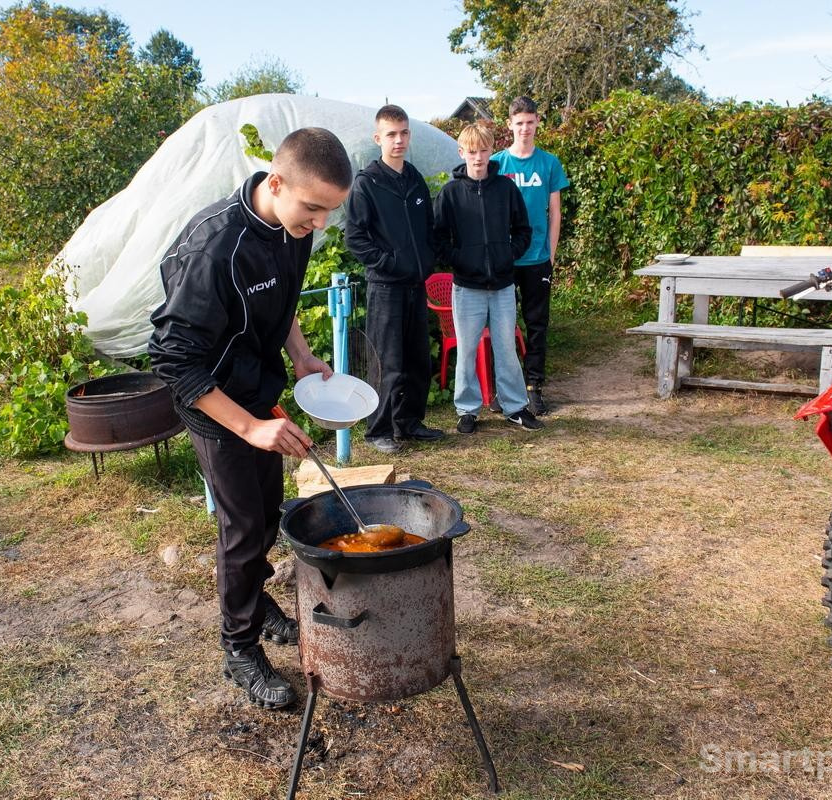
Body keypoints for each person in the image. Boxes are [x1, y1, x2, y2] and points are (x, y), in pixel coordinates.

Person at [148, 128, 352, 710]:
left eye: (328, 213)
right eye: (312, 208)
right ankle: (238, 647)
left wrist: (302, 355)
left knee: (267, 515)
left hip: (259, 390)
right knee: (242, 532)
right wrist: (249, 427)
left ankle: (258, 604)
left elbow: (279, 303)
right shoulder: (214, 248)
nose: (317, 224)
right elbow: (173, 360)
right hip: (215, 404)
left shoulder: (294, 227)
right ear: (276, 181)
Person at [344, 104, 444, 454]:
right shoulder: (367, 184)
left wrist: (426, 261)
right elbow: (355, 238)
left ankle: (409, 422)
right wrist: (389, 263)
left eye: (403, 133)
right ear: (378, 139)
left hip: (415, 285)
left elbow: (428, 228)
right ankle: (379, 430)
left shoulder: (413, 177)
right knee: (386, 360)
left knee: (417, 357)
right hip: (385, 287)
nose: (398, 140)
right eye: (391, 134)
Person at [433, 122, 541, 434]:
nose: (478, 157)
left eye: (483, 150)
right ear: (461, 152)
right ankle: (467, 410)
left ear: (491, 151)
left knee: (506, 347)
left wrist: (508, 255)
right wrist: (460, 260)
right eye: (471, 151)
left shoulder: (506, 189)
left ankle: (516, 408)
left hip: (503, 285)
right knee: (466, 350)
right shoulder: (451, 194)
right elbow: (438, 239)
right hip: (467, 288)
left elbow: (523, 230)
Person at [490, 96, 570, 416]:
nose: (524, 128)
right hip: (506, 260)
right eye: (518, 123)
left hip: (537, 259)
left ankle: (534, 389)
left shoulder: (549, 163)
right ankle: (506, 390)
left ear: (538, 122)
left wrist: (550, 256)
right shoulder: (497, 164)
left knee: (537, 326)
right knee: (503, 326)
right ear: (509, 125)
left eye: (530, 122)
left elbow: (555, 213)